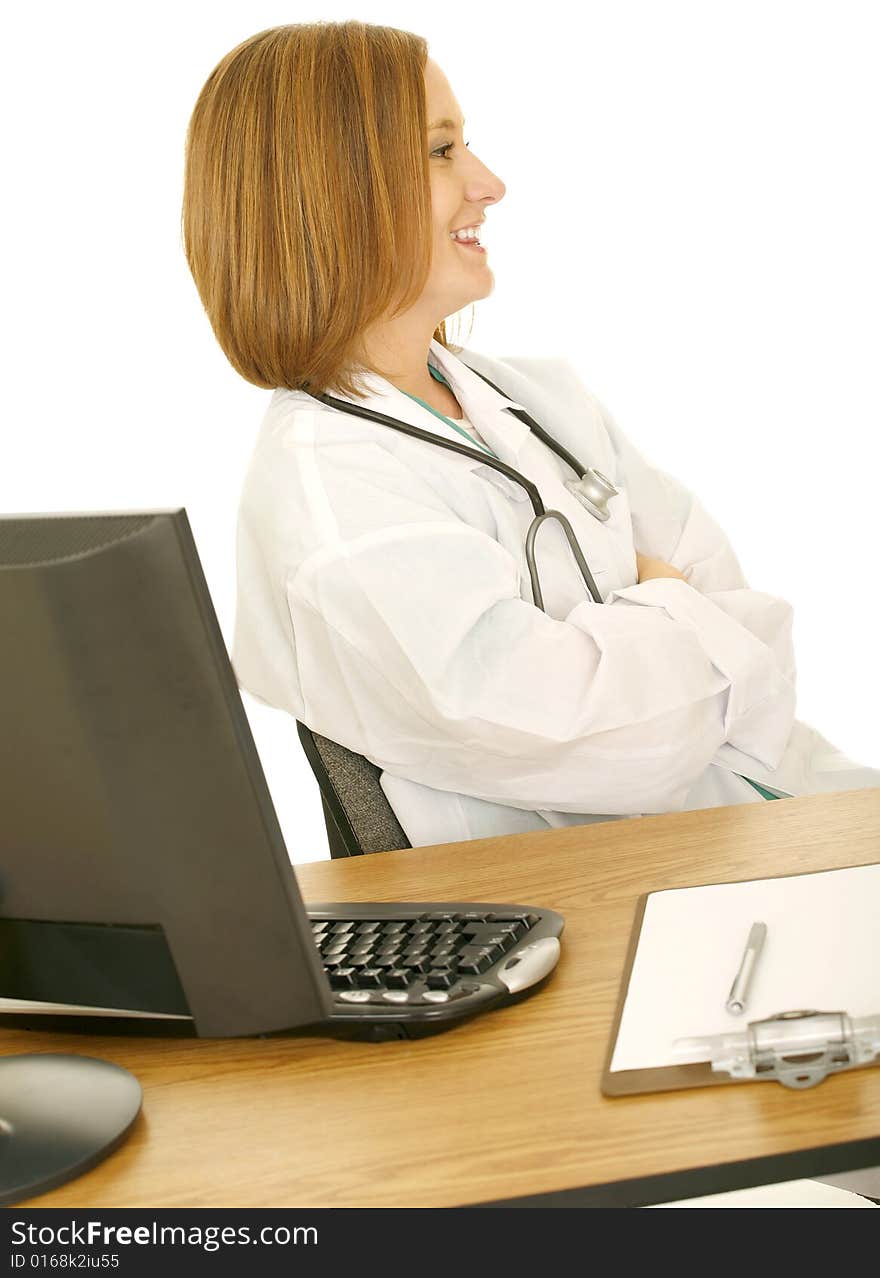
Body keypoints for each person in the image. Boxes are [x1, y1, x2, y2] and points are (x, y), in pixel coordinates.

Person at [181, 21, 879, 1207]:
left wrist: (652, 641)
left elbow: (742, 616)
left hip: (771, 827)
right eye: (443, 150)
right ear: (332, 191)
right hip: (606, 930)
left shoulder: (533, 395)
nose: (490, 183)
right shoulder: (330, 492)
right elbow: (570, 727)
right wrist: (662, 615)